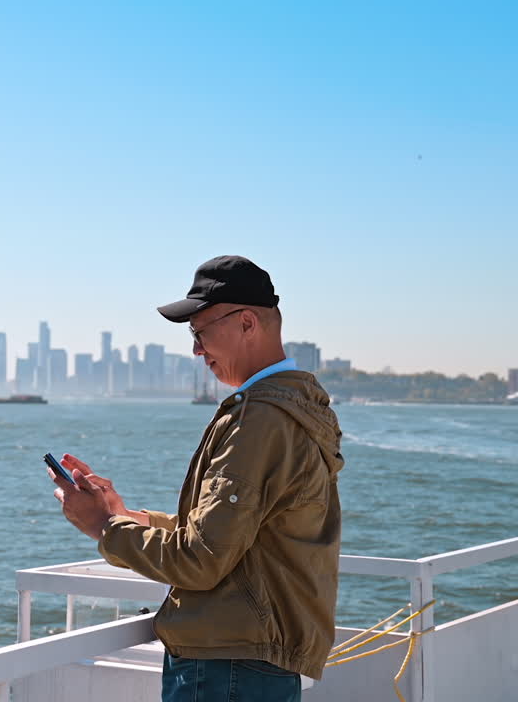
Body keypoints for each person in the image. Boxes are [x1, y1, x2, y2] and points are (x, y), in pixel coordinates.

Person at [50, 255, 344, 702]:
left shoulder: (259, 420)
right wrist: (127, 516)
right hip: (249, 661)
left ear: (247, 322)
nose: (195, 349)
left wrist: (104, 527)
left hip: (228, 665)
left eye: (200, 332)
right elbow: (236, 541)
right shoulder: (296, 410)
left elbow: (202, 559)